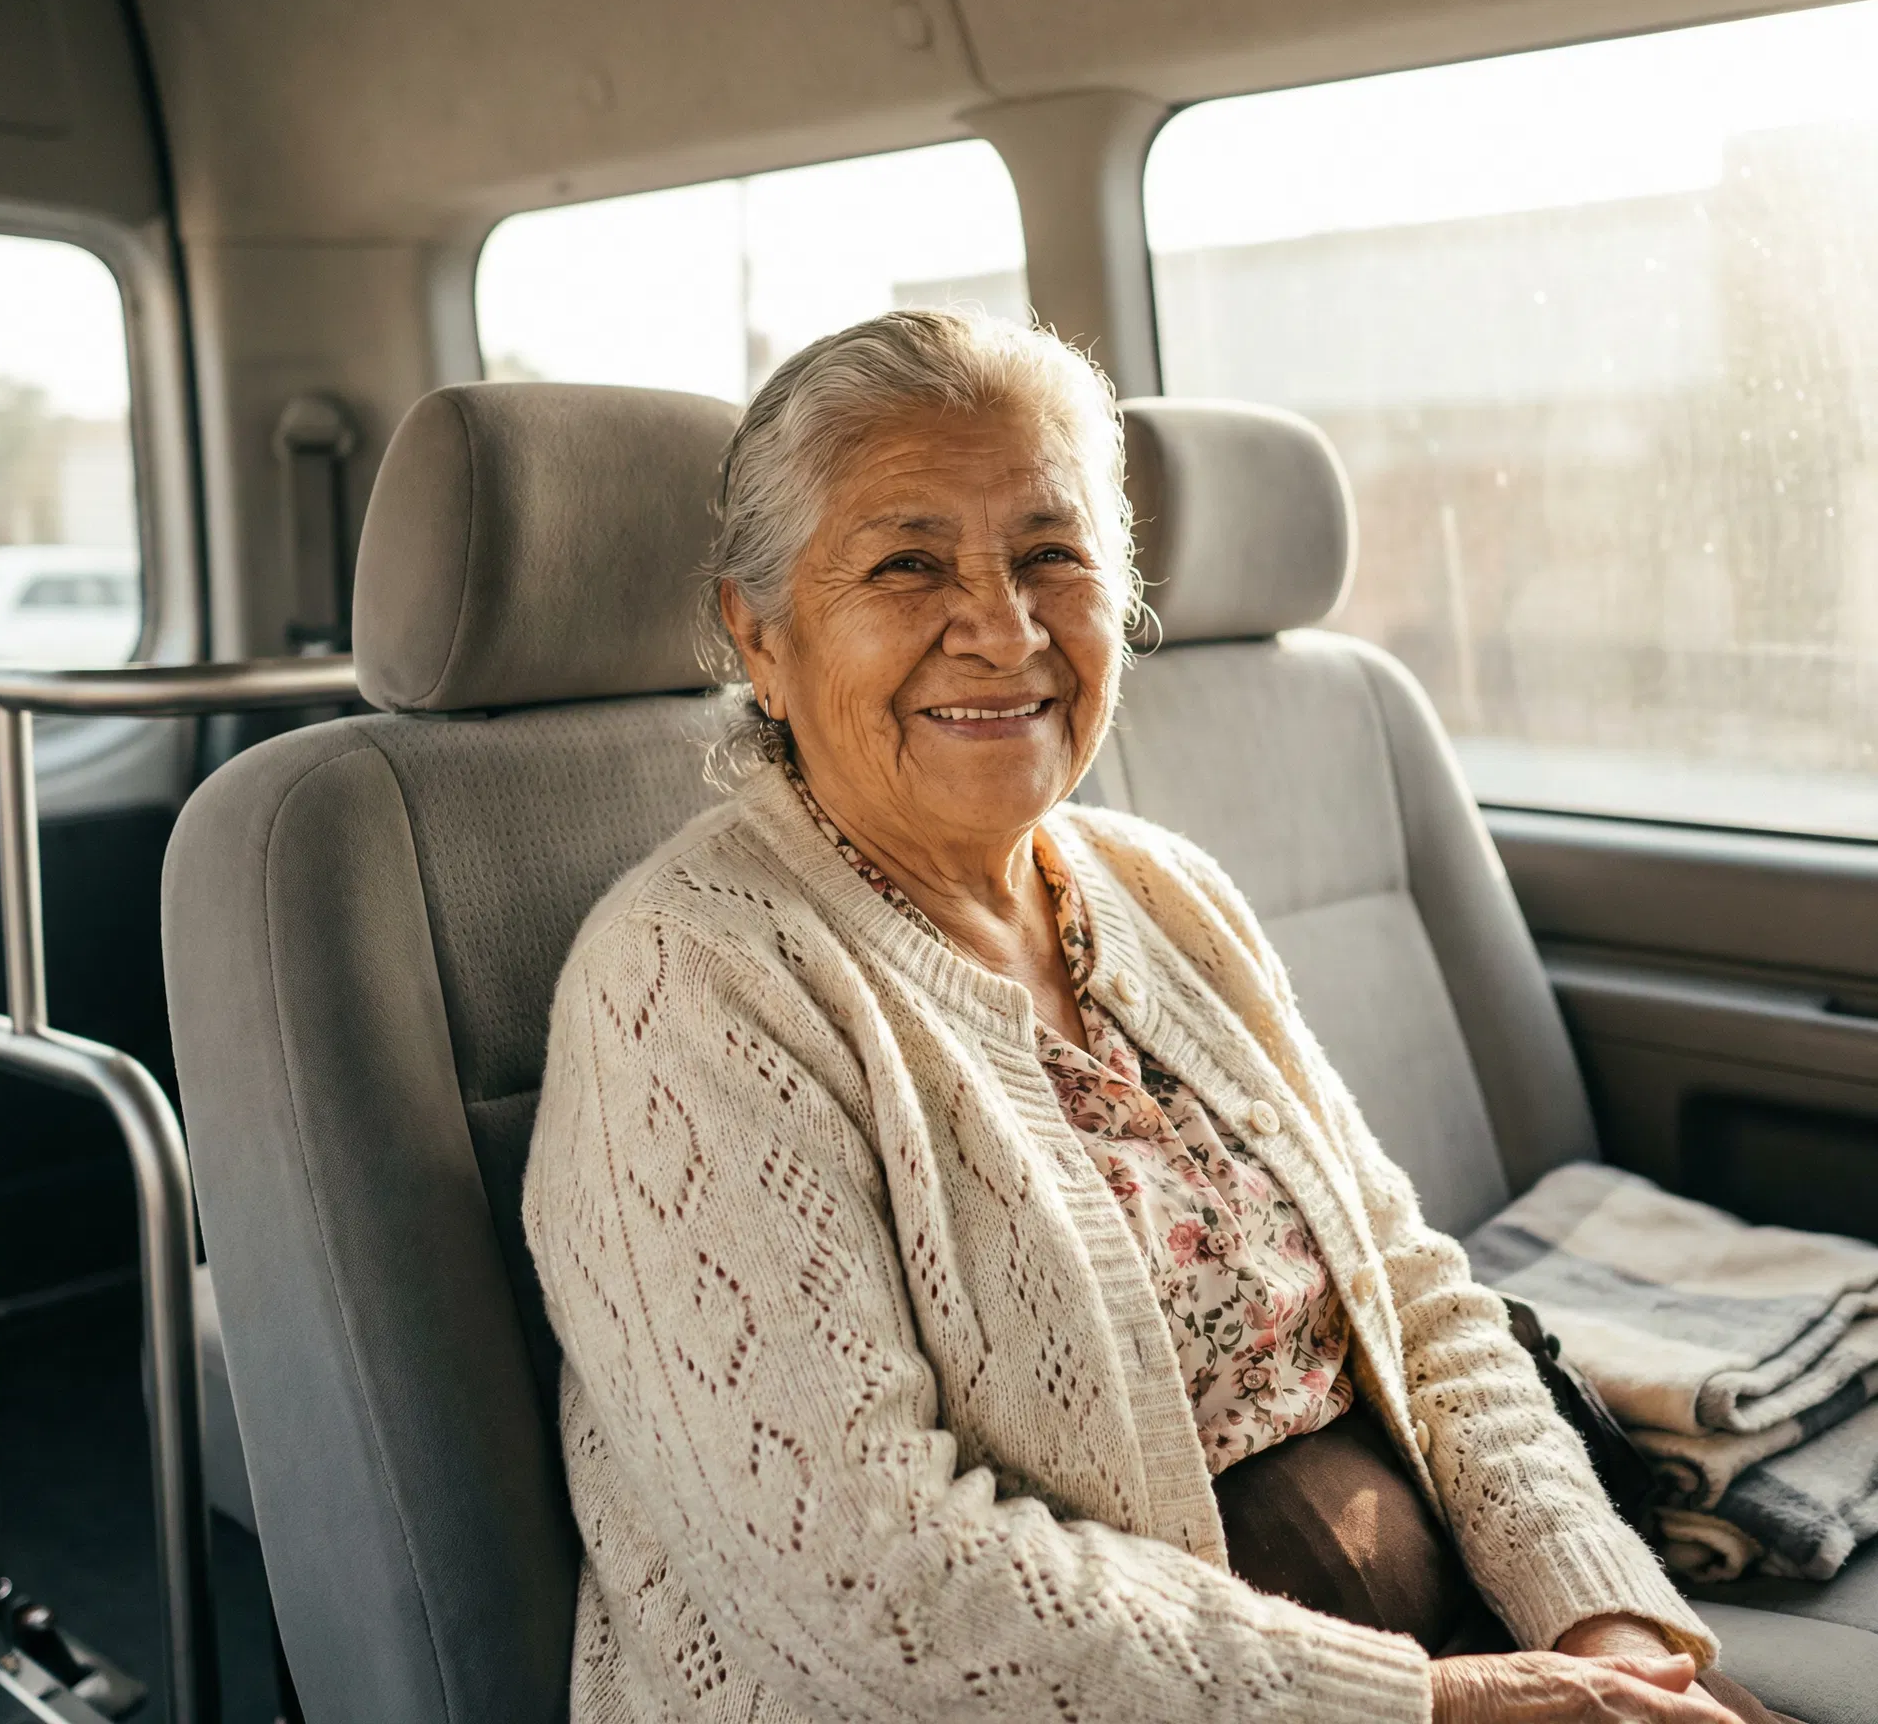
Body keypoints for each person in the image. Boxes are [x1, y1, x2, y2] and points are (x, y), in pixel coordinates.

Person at [523, 310, 1788, 1723]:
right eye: (907, 564)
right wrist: (1431, 1707)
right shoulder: (690, 981)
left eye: (1053, 556)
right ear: (759, 639)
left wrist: (1606, 1631)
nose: (1002, 630)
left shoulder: (1164, 893)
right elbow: (866, 1585)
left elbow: (1421, 1305)